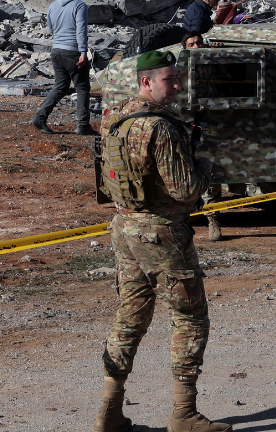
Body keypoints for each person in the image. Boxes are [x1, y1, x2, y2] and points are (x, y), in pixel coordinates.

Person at [96, 50, 229, 432]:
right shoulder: (161, 128)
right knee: (190, 317)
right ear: (146, 82)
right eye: (169, 80)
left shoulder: (114, 118)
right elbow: (186, 189)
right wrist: (204, 163)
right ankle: (183, 414)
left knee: (129, 317)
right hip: (162, 233)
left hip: (125, 228)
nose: (177, 86)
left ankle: (109, 412)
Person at [32, 0, 92, 135]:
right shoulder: (79, 6)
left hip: (56, 51)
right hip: (72, 51)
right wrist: (83, 52)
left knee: (60, 86)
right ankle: (83, 124)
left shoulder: (52, 6)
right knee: (82, 87)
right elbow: (81, 30)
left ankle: (40, 116)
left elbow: (51, 29)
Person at [179, 31, 223, 242]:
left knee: (210, 177)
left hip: (208, 126)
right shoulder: (179, 71)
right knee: (183, 173)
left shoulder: (213, 68)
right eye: (191, 44)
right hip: (185, 127)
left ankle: (213, 219)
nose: (196, 47)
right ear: (185, 48)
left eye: (199, 43)